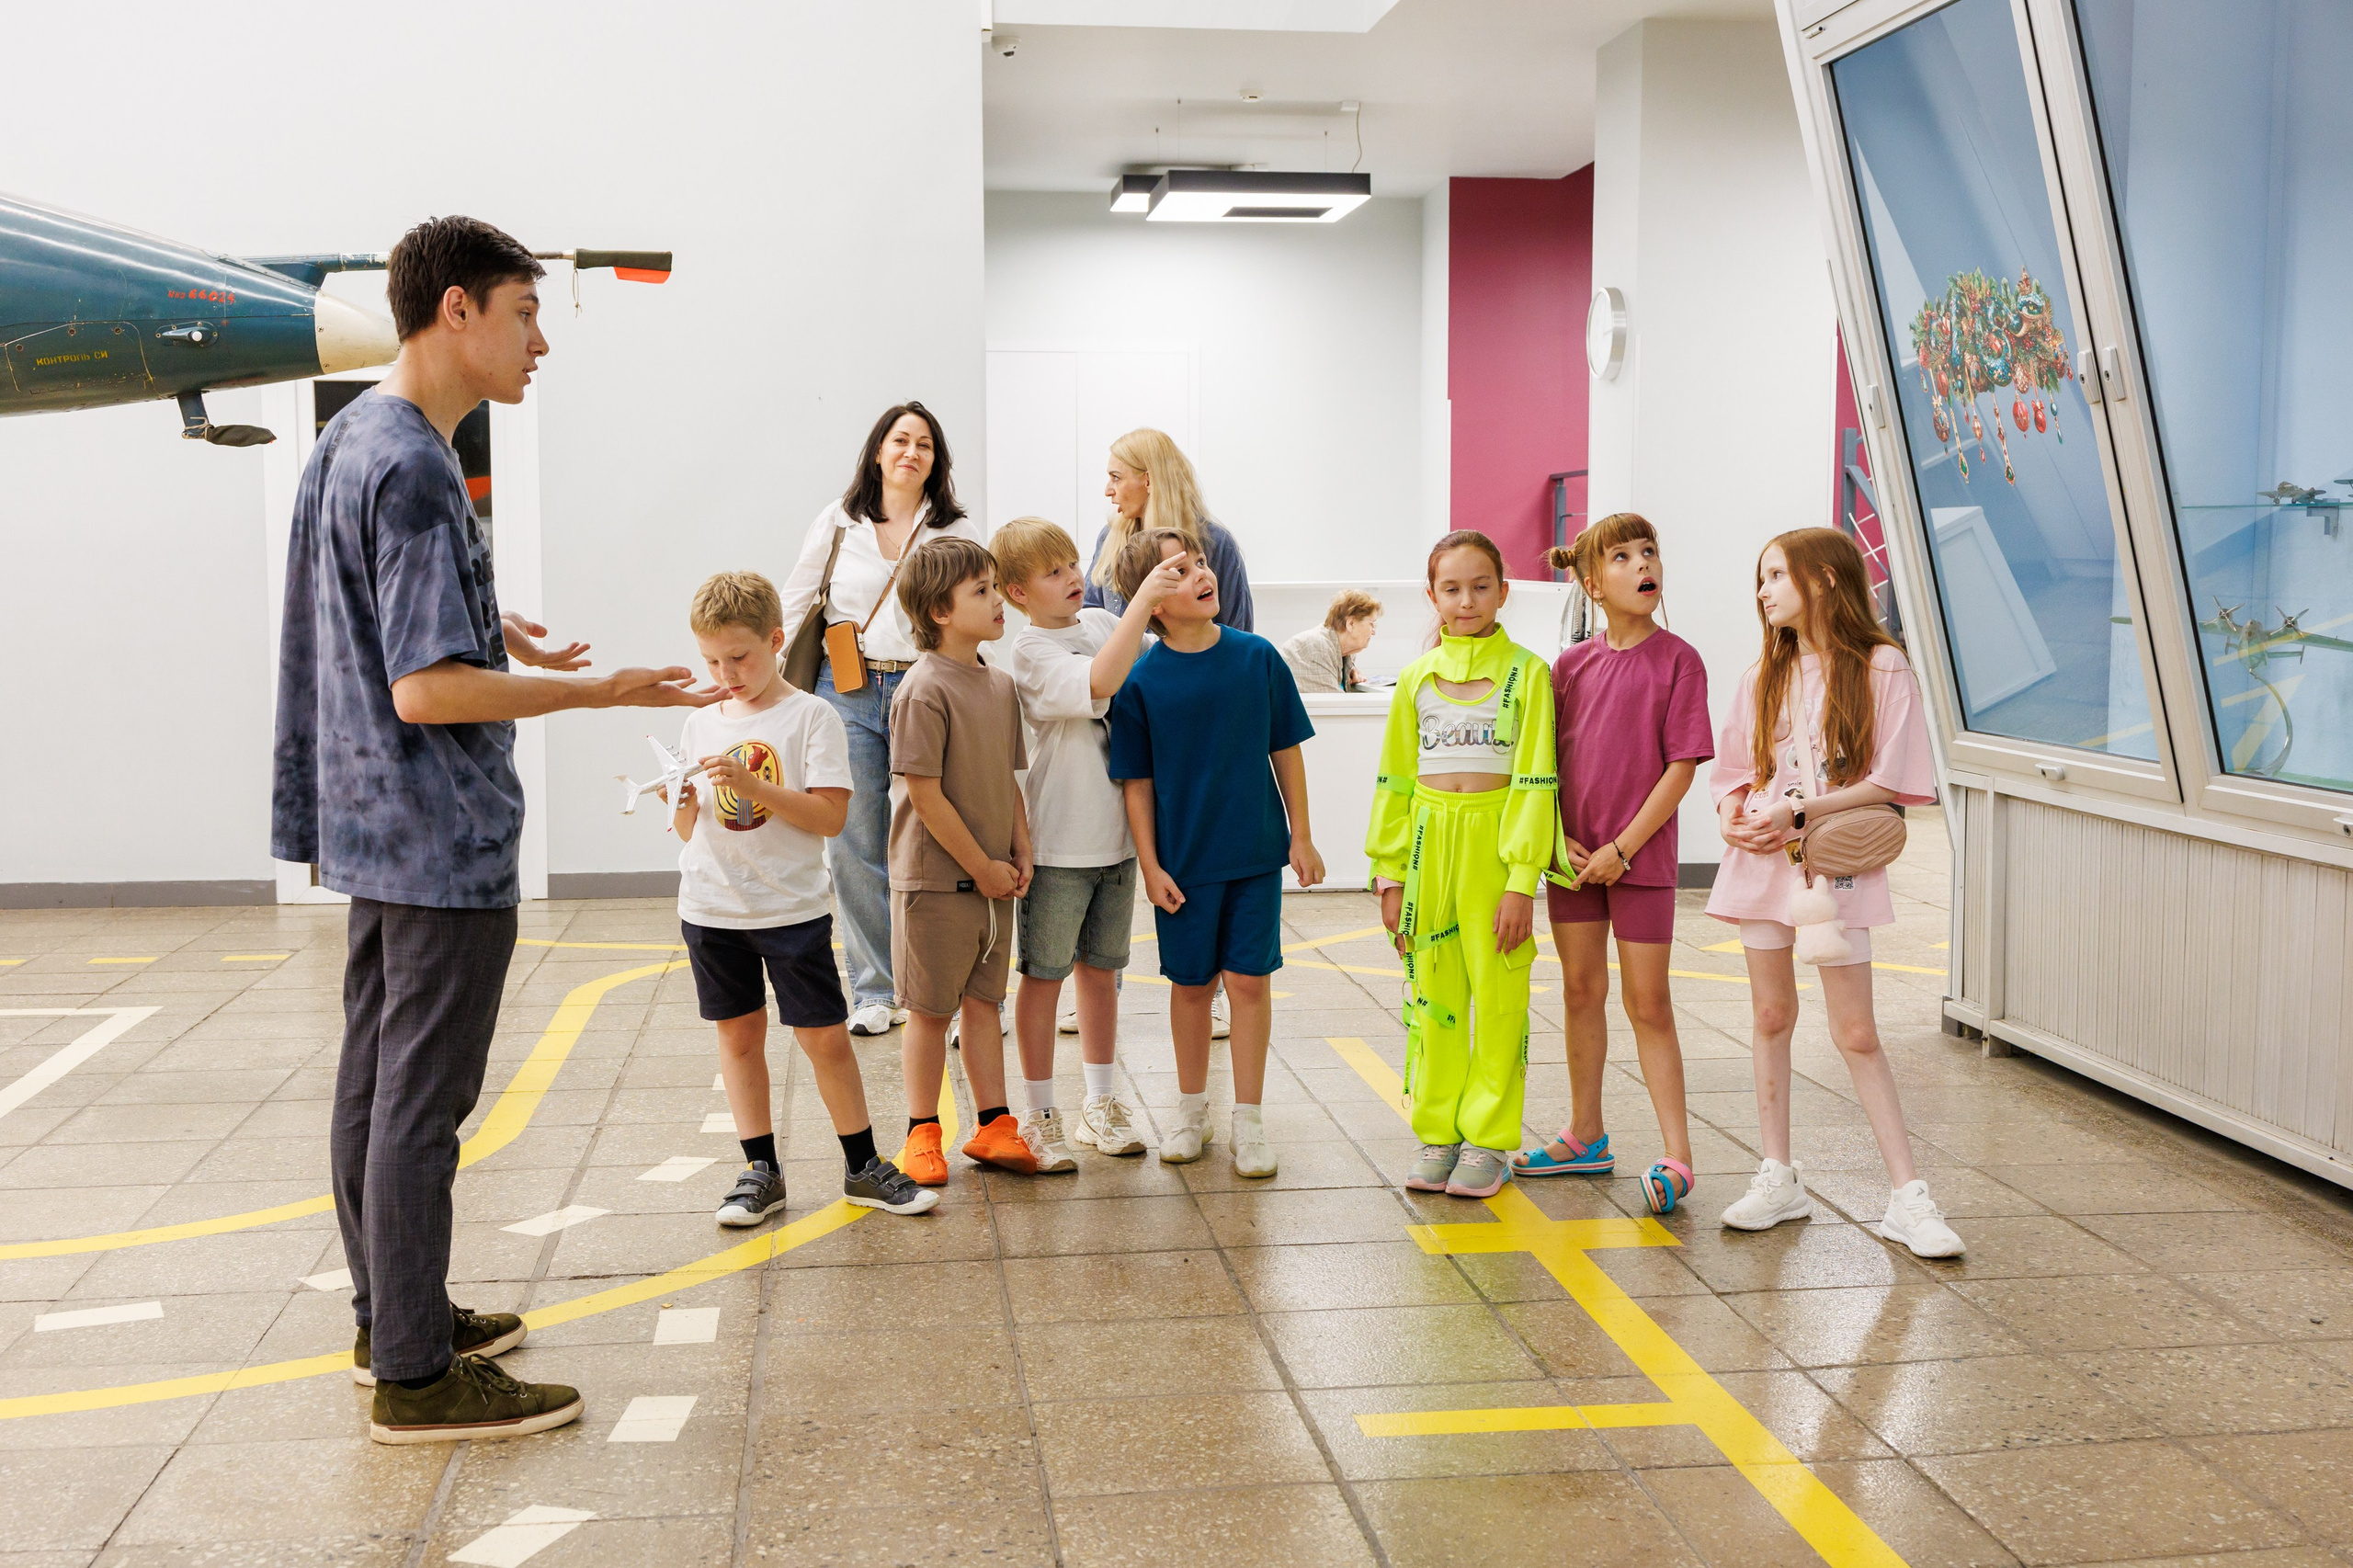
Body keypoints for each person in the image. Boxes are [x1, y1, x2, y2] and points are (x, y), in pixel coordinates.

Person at [273, 216, 718, 1444]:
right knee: (422, 1101)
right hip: (434, 829)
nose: (539, 344)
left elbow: (372, 609)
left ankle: (392, 1315)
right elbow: (425, 691)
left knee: (376, 1080)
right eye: (526, 313)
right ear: (456, 310)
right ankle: (417, 1378)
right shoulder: (415, 462)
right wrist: (600, 689)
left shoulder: (352, 433)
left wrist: (491, 620)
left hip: (369, 821)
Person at [1708, 528, 1962, 1258]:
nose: (1763, 591)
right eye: (1760, 578)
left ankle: (1908, 1198)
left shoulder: (1883, 668)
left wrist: (1797, 814)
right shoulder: (1763, 673)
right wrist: (1732, 815)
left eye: (1776, 575)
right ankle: (1777, 1176)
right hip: (1764, 863)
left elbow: (1893, 783)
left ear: (1823, 579)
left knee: (1857, 1032)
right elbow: (1732, 771)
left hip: (1834, 864)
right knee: (1769, 1014)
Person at [669, 571, 937, 1224]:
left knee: (824, 1041)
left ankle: (862, 1167)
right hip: (710, 909)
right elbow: (688, 829)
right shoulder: (699, 723)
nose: (726, 672)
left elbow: (828, 819)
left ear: (777, 640)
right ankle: (760, 1169)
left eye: (740, 656)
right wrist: (680, 806)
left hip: (789, 911)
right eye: (711, 660)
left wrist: (752, 786)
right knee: (737, 1039)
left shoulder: (811, 715)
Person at [1510, 515, 1711, 1215]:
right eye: (1622, 557)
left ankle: (1678, 1153)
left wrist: (1622, 848)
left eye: (1649, 551)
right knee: (1578, 991)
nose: (1642, 564)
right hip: (1572, 864)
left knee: (1648, 1003)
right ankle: (1585, 1135)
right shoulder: (1566, 668)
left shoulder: (1680, 660)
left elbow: (1681, 767)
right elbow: (1545, 765)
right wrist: (1559, 837)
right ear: (1593, 583)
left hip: (1640, 861)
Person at [1108, 528, 1324, 1176]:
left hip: (1255, 857)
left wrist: (1301, 834)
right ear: (1152, 602)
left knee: (1250, 983)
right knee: (1192, 987)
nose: (1203, 574)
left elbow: (1284, 749)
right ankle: (1191, 1110)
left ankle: (1248, 1119)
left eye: (1200, 563)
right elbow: (1136, 784)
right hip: (1184, 865)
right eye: (1180, 571)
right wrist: (1150, 865)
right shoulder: (1140, 681)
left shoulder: (1258, 658)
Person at [777, 402, 984, 1039]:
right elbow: (793, 599)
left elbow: (976, 606)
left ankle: (955, 994)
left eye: (924, 444)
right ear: (877, 452)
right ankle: (875, 990)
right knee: (855, 843)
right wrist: (759, 675)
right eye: (900, 440)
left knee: (944, 837)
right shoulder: (839, 523)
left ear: (936, 461)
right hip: (848, 687)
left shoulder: (953, 530)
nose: (911, 452)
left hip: (926, 687)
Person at [1369, 533, 1556, 1199]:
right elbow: (1395, 778)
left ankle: (1489, 1137)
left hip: (1494, 848)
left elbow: (1538, 780)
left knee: (1500, 997)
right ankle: (1439, 1132)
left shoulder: (1529, 674)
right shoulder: (1416, 678)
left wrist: (1520, 881)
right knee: (1434, 996)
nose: (1467, 600)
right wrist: (1390, 874)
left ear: (1504, 591)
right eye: (1451, 588)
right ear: (1432, 597)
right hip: (1428, 850)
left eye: (1481, 586)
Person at [996, 517, 1188, 1165]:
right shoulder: (1028, 651)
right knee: (1044, 978)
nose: (1073, 578)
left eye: (1073, 564)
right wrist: (1141, 601)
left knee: (1103, 976)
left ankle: (1100, 1104)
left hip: (1118, 841)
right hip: (1058, 844)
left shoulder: (1106, 624)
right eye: (1053, 573)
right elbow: (1101, 683)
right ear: (1018, 593)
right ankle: (1039, 1111)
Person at [888, 537, 1035, 1187]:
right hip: (937, 881)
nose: (998, 600)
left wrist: (1020, 848)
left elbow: (1006, 778)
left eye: (995, 587)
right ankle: (923, 1132)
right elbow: (924, 793)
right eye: (982, 591)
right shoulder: (922, 690)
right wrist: (980, 865)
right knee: (929, 1010)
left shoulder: (999, 685)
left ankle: (995, 1124)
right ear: (940, 611)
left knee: (985, 1003)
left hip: (992, 877)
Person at [1085, 427, 1255, 631]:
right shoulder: (1109, 538)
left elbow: (1238, 632)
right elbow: (1090, 619)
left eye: (1116, 477)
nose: (1108, 490)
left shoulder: (1216, 543)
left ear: (1148, 481)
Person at [1280, 589, 1381, 694]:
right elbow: (1334, 707)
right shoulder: (1318, 648)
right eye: (1371, 624)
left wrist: (1350, 669)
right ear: (1351, 624)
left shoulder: (1344, 651)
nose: (1373, 632)